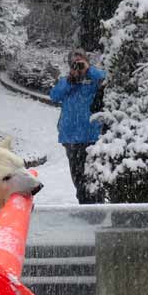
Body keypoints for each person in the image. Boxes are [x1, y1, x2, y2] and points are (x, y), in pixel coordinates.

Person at [49, 50, 106, 204]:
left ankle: (96, 208)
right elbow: (54, 95)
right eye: (74, 63)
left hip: (92, 136)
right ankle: (84, 207)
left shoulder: (95, 79)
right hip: (71, 137)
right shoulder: (66, 81)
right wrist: (71, 79)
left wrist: (89, 70)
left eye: (80, 62)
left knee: (94, 177)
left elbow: (106, 78)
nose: (78, 66)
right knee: (78, 178)